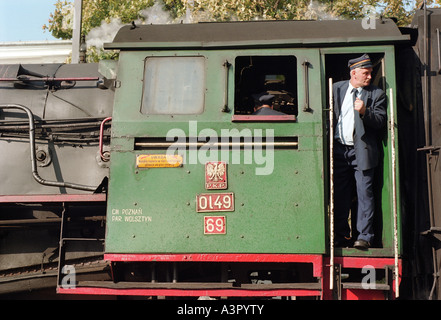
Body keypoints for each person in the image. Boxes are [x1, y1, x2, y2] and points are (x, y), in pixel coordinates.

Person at [332, 54, 387, 250]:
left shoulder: (376, 94)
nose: (369, 77)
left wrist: (365, 112)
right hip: (339, 149)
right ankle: (339, 235)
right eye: (366, 73)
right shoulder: (336, 89)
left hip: (361, 151)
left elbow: (381, 121)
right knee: (339, 194)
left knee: (365, 193)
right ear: (353, 73)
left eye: (371, 73)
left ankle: (364, 236)